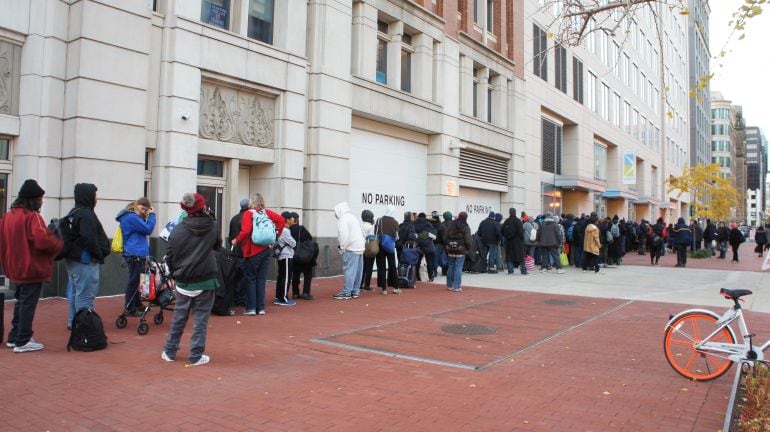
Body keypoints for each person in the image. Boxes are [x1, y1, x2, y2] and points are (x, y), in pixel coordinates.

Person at [0, 180, 63, 353]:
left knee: (21, 302)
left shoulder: (8, 216)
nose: (42, 201)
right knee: (27, 304)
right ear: (32, 199)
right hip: (31, 267)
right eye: (40, 198)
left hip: (15, 267)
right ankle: (23, 340)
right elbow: (43, 241)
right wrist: (58, 242)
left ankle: (15, 337)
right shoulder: (32, 216)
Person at [162, 193, 219, 366]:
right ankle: (195, 355)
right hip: (206, 279)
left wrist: (174, 273)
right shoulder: (212, 226)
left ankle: (170, 351)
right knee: (201, 320)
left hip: (184, 279)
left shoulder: (178, 229)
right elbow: (217, 245)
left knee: (179, 317)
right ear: (202, 206)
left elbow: (170, 256)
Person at [62, 183, 111, 330]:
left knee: (76, 292)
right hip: (85, 260)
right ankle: (84, 327)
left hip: (74, 260)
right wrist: (98, 254)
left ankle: (74, 322)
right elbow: (89, 238)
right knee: (85, 294)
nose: (96, 199)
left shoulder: (74, 212)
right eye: (94, 196)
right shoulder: (86, 214)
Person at [231, 193, 285, 316]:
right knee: (261, 279)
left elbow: (246, 231)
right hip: (266, 250)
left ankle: (251, 307)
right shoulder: (267, 213)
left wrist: (236, 240)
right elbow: (281, 220)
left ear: (252, 202)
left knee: (250, 279)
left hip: (252, 251)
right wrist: (276, 237)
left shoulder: (248, 214)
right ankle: (260, 308)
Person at [116, 197, 156, 315]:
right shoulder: (132, 217)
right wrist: (152, 215)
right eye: (143, 209)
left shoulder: (131, 216)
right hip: (135, 253)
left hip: (136, 252)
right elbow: (148, 229)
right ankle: (129, 308)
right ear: (137, 205)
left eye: (146, 210)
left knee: (138, 280)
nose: (144, 212)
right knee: (134, 281)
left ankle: (137, 304)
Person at [332, 202, 365, 300]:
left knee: (349, 270)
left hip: (351, 247)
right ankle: (355, 291)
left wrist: (342, 247)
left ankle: (346, 292)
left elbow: (344, 235)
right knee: (358, 271)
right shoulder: (352, 217)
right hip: (360, 246)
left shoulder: (343, 219)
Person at [228, 198, 250, 306]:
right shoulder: (249, 218)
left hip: (234, 251)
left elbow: (230, 237)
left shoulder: (234, 218)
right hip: (245, 252)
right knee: (244, 277)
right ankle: (241, 298)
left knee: (235, 276)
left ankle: (234, 297)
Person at [443, 212, 473, 292]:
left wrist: (446, 245)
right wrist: (468, 248)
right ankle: (457, 286)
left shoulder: (451, 225)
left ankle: (449, 285)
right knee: (458, 267)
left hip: (450, 249)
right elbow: (468, 240)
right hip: (460, 250)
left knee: (451, 266)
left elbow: (445, 237)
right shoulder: (465, 227)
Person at [290, 212, 316, 300]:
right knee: (308, 274)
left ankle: (295, 293)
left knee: (295, 275)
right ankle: (306, 292)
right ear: (297, 219)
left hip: (294, 256)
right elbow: (310, 239)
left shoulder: (288, 230)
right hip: (305, 256)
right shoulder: (301, 228)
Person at [374, 206, 400, 295]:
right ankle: (395, 287)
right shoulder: (395, 222)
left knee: (381, 267)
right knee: (392, 266)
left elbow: (375, 232)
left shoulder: (379, 220)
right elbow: (397, 236)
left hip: (380, 245)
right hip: (390, 246)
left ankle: (384, 289)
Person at [274, 211, 297, 306]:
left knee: (281, 276)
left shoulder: (280, 229)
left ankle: (279, 296)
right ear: (287, 220)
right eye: (291, 218)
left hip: (281, 256)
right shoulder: (285, 230)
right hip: (286, 255)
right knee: (286, 277)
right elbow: (293, 243)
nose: (293, 219)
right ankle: (283, 298)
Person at [502, 208, 527, 275]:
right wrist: (522, 239)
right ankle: (523, 271)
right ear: (515, 213)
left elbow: (502, 231)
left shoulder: (506, 221)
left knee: (509, 256)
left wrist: (507, 237)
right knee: (521, 257)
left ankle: (510, 271)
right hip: (518, 242)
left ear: (509, 213)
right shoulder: (518, 221)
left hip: (509, 242)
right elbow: (521, 232)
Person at [414, 212, 437, 282]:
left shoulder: (414, 224)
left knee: (417, 262)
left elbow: (413, 235)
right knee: (430, 262)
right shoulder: (429, 224)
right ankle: (430, 277)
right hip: (428, 246)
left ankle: (416, 277)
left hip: (418, 246)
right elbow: (434, 237)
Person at [360, 210, 376, 291]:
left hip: (362, 249)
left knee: (362, 267)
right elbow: (372, 238)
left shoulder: (361, 226)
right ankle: (367, 285)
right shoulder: (371, 227)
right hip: (369, 249)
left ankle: (360, 284)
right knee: (369, 268)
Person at [435, 211, 452, 276]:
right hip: (453, 245)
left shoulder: (442, 225)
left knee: (443, 258)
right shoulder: (454, 224)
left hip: (443, 244)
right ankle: (449, 271)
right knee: (450, 259)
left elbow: (441, 236)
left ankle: (444, 271)